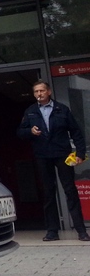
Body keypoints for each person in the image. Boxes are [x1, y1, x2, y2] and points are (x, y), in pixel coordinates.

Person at [17, 80, 89, 242]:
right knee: (49, 193)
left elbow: (76, 132)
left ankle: (81, 231)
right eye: (36, 92)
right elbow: (20, 133)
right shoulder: (30, 111)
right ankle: (52, 231)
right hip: (42, 155)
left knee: (70, 191)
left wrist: (80, 153)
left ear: (49, 92)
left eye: (41, 91)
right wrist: (30, 131)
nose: (39, 94)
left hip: (62, 154)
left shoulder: (62, 109)